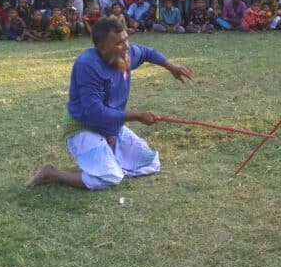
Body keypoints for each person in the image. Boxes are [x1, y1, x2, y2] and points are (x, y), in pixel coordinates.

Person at [27, 17, 194, 190]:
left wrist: (171, 66)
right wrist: (137, 116)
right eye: (120, 43)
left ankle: (103, 159)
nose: (127, 46)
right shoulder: (88, 65)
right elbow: (94, 112)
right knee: (110, 177)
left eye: (126, 40)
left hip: (112, 125)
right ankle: (52, 174)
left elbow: (146, 52)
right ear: (102, 47)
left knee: (149, 162)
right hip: (83, 127)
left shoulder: (124, 56)